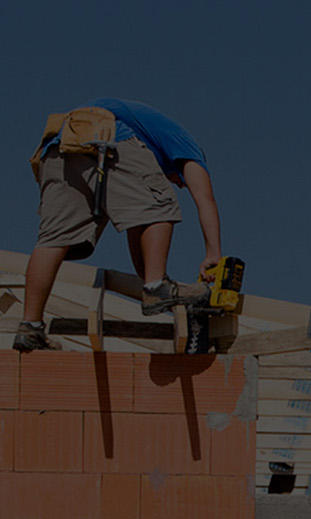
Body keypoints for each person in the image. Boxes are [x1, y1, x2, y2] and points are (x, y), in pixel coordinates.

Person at [15, 98, 222, 351]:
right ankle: (158, 286)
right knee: (161, 201)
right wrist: (213, 253)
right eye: (181, 180)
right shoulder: (189, 148)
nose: (180, 182)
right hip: (105, 135)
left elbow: (138, 225)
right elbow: (205, 200)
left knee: (54, 239)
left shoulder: (148, 146)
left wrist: (147, 280)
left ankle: (30, 327)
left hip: (59, 146)